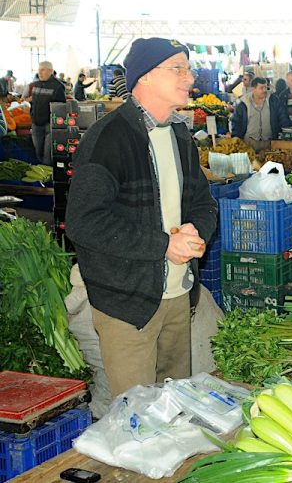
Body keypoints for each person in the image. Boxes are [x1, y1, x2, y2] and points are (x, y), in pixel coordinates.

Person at [65, 37, 217, 397]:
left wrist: (197, 230)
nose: (189, 77)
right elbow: (84, 221)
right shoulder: (108, 139)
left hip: (178, 297)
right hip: (128, 305)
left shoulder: (180, 135)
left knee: (174, 409)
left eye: (188, 68)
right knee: (135, 420)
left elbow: (204, 201)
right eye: (177, 68)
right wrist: (164, 245)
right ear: (145, 77)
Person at [30, 61, 66, 165]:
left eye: (43, 70)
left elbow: (60, 107)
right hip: (36, 125)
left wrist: (54, 124)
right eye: (39, 70)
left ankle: (47, 178)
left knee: (47, 156)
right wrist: (32, 116)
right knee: (37, 152)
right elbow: (33, 103)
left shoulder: (58, 86)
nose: (39, 73)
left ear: (50, 71)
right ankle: (40, 176)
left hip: (49, 126)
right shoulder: (36, 84)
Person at [231, 76, 280, 150]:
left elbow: (281, 117)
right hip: (249, 143)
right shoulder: (243, 104)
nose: (264, 90)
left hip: (269, 143)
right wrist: (236, 139)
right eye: (261, 88)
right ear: (253, 89)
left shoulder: (273, 101)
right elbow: (236, 122)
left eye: (265, 87)